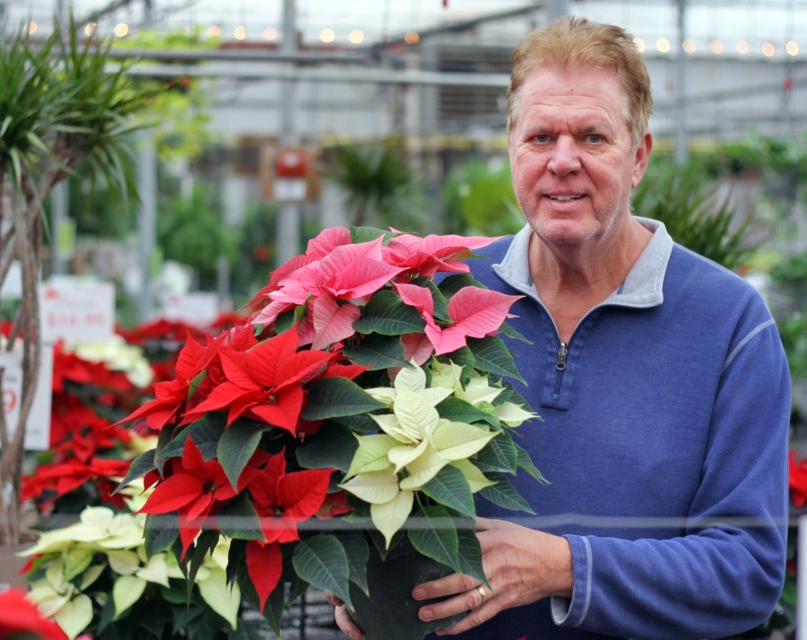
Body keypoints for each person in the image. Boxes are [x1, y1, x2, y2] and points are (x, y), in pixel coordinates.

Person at [331, 16, 791, 639]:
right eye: (541, 136)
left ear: (639, 157)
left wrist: (566, 568)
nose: (563, 161)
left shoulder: (731, 324)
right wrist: (356, 584)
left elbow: (747, 572)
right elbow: (355, 487)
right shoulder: (435, 295)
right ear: (512, 149)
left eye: (593, 137)